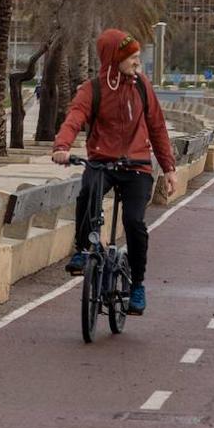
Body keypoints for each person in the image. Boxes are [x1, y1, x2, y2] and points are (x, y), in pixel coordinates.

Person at [51, 29, 179, 315]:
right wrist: (62, 146)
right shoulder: (92, 89)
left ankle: (137, 286)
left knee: (134, 223)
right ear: (114, 59)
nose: (137, 61)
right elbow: (74, 118)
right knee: (87, 194)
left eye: (137, 56)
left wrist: (169, 168)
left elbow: (157, 128)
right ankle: (84, 249)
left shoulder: (143, 87)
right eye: (131, 57)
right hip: (102, 162)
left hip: (137, 167)